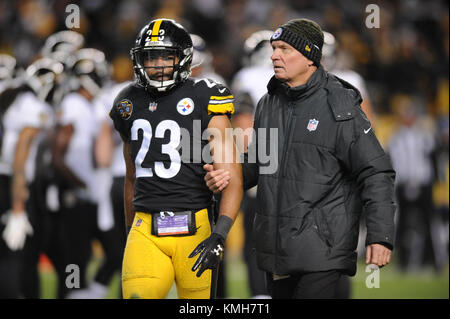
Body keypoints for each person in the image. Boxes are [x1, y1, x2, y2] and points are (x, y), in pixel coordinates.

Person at [204, 18, 396, 299]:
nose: (274, 55)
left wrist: (380, 235)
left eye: (284, 48)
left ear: (309, 56)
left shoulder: (339, 103)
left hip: (322, 249)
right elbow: (259, 164)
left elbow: (376, 171)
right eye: (273, 48)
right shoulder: (268, 102)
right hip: (276, 247)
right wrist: (227, 176)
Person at [109, 18, 243, 299]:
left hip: (196, 226)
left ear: (182, 59)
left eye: (165, 57)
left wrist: (219, 235)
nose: (157, 65)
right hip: (145, 227)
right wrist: (129, 231)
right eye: (150, 57)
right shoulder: (128, 102)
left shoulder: (206, 95)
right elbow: (131, 177)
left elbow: (232, 176)